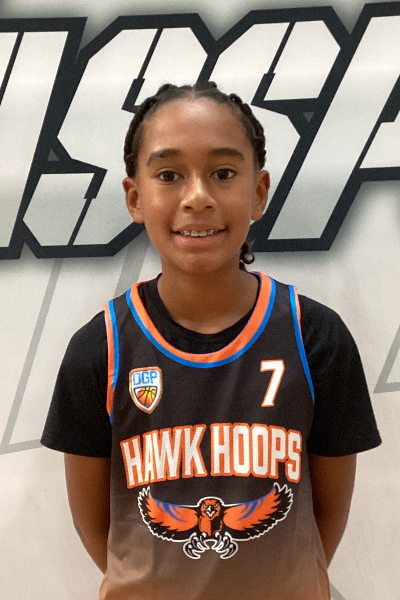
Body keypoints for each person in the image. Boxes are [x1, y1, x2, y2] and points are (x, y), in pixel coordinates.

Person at [41, 81, 381, 600]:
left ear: (259, 192)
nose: (197, 197)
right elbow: (98, 530)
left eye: (223, 173)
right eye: (169, 175)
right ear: (135, 197)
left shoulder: (315, 337)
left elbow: (326, 520)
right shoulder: (100, 348)